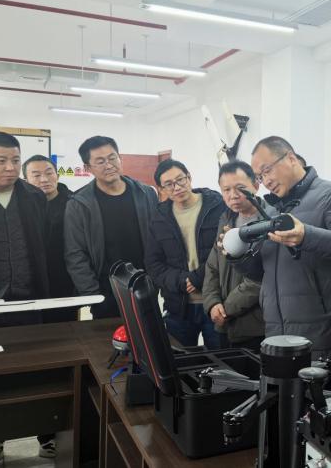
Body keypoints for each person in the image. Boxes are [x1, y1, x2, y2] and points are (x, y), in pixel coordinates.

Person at [249, 136, 331, 392]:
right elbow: (263, 273)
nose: (265, 180)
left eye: (267, 170)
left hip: (322, 342)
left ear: (291, 158)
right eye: (259, 176)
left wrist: (307, 236)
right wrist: (235, 256)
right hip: (279, 341)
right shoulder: (271, 211)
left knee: (322, 416)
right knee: (282, 415)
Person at [0, 134, 54, 461]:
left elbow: (43, 247)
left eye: (15, 160)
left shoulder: (33, 197)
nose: (10, 167)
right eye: (1, 160)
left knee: (40, 373)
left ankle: (47, 436)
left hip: (30, 302)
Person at [64, 136, 157, 319]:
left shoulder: (145, 194)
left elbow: (158, 238)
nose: (109, 165)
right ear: (88, 168)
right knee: (109, 336)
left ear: (120, 158)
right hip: (105, 291)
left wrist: (156, 280)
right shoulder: (79, 204)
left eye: (112, 158)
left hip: (145, 285)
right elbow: (75, 254)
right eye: (100, 161)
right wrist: (93, 294)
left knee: (149, 334)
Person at [145, 159, 225, 349]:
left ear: (189, 177)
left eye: (180, 180)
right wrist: (181, 280)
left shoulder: (217, 206)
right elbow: (153, 263)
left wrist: (199, 277)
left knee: (220, 361)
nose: (177, 187)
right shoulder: (158, 218)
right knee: (181, 361)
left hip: (216, 301)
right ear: (161, 189)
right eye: (169, 184)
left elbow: (225, 251)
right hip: (178, 306)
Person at [203, 161, 265, 351]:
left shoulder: (267, 221)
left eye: (240, 188)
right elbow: (212, 266)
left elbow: (259, 279)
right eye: (226, 190)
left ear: (256, 185)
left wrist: (226, 309)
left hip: (256, 326)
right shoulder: (226, 220)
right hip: (225, 324)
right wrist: (213, 303)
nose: (233, 195)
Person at [24, 155, 77, 323]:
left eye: (49, 173)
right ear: (25, 180)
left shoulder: (74, 204)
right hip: (30, 284)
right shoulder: (20, 207)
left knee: (65, 329)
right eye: (36, 175)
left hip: (65, 283)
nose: (44, 179)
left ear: (57, 175)